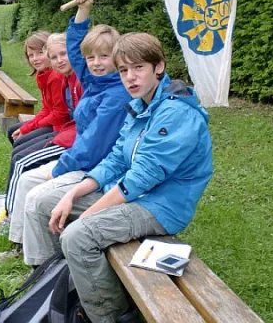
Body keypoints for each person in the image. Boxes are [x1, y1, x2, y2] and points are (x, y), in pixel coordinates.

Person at [22, 32, 213, 323]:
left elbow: (141, 178)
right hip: (132, 195)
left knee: (77, 235)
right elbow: (115, 159)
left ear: (158, 66)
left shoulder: (175, 113)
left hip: (160, 206)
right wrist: (72, 195)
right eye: (123, 70)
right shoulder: (139, 105)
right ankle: (57, 283)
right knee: (49, 200)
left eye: (138, 68)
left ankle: (108, 315)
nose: (130, 77)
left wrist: (89, 214)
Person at [2, 0, 131, 256]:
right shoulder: (94, 79)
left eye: (104, 57)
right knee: (27, 180)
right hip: (81, 158)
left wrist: (61, 166)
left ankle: (42, 263)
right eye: (91, 58)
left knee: (35, 189)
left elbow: (94, 143)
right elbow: (75, 48)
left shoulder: (116, 94)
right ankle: (21, 244)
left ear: (117, 59)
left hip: (94, 167)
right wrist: (83, 10)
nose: (95, 63)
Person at [4, 32, 83, 215]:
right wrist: (27, 126)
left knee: (20, 156)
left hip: (62, 128)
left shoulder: (57, 76)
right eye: (30, 55)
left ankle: (10, 210)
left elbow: (60, 113)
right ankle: (16, 196)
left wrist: (29, 127)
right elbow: (47, 108)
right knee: (16, 138)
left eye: (39, 53)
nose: (35, 59)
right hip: (64, 128)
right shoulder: (45, 75)